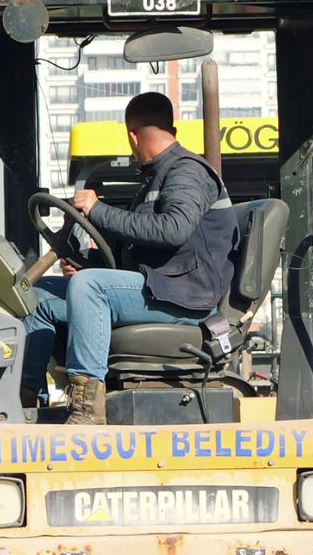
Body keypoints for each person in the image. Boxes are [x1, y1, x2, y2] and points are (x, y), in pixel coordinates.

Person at [21, 91, 235, 425]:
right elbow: (138, 250)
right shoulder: (156, 178)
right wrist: (86, 262)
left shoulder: (187, 171)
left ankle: (87, 408)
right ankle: (25, 399)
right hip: (158, 289)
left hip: (184, 297)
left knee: (90, 287)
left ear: (132, 135)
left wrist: (97, 209)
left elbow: (174, 230)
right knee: (40, 295)